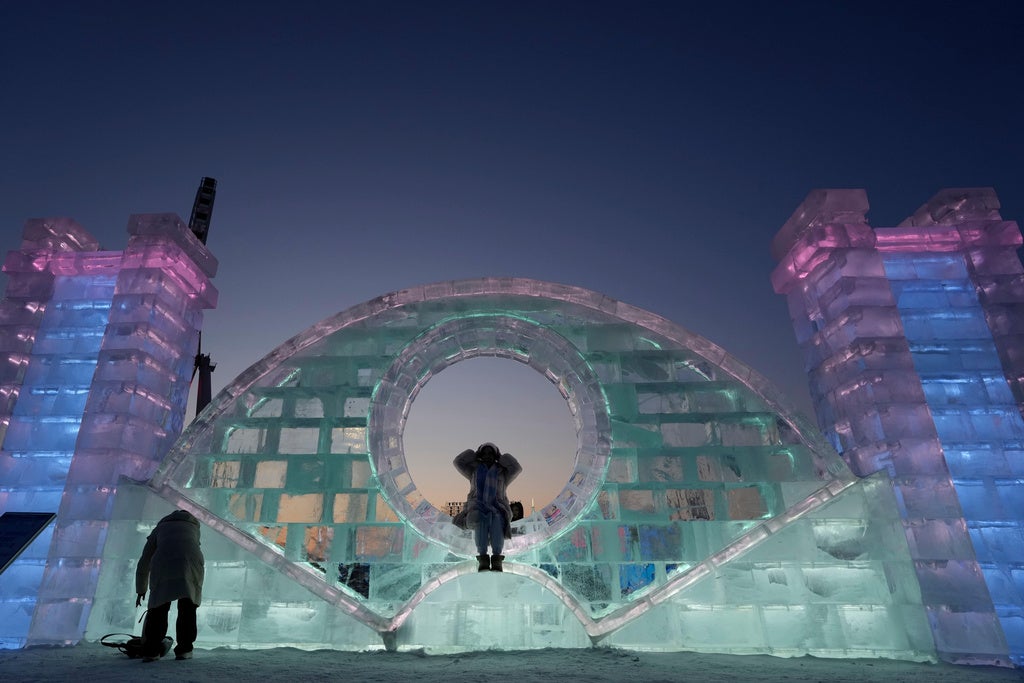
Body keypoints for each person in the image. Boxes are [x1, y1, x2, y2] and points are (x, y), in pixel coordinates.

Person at [135, 509, 205, 662]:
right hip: (192, 563)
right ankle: (184, 650)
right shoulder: (193, 527)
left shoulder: (160, 528)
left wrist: (141, 589)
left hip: (163, 562)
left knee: (159, 607)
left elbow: (145, 559)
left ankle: (152, 651)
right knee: (188, 606)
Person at [453, 442, 522, 572]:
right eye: (484, 453)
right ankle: (483, 559)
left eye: (490, 453)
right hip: (478, 506)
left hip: (498, 507)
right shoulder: (474, 470)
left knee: (497, 524)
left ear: (495, 455)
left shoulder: (503, 472)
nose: (487, 455)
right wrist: (473, 455)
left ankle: (497, 560)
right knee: (480, 523)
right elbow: (458, 462)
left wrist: (502, 458)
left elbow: (516, 468)